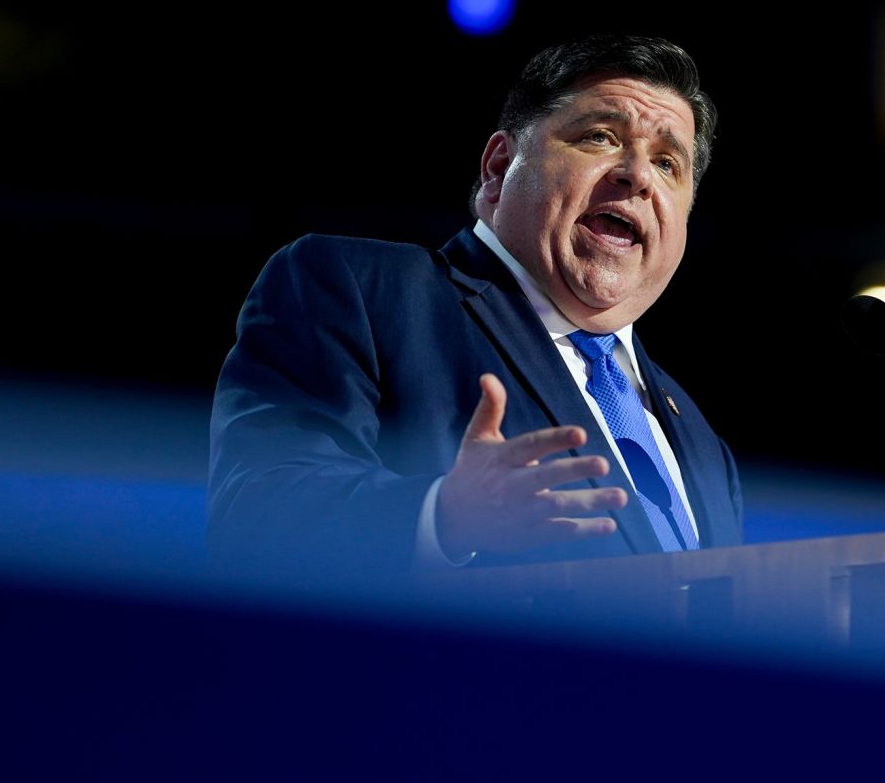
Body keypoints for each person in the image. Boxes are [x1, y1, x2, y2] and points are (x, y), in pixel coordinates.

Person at [207, 35, 743, 580]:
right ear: (499, 168)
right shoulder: (359, 289)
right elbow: (255, 515)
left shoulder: (702, 442)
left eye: (668, 163)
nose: (639, 175)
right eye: (600, 137)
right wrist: (441, 516)